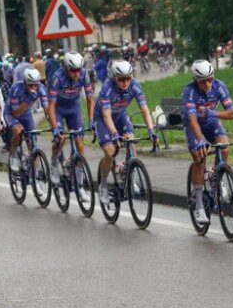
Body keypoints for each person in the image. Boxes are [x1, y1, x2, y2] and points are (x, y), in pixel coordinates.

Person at [94, 60, 158, 204]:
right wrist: (114, 134)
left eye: (128, 78)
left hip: (121, 116)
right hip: (103, 119)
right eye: (121, 79)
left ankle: (131, 180)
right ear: (115, 78)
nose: (125, 82)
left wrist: (151, 130)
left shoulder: (135, 86)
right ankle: (103, 184)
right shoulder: (107, 89)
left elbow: (145, 109)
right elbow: (106, 115)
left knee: (131, 143)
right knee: (110, 153)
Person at [181, 60, 233, 224]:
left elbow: (232, 113)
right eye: (202, 81)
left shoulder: (219, 86)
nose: (207, 84)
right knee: (200, 159)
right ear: (196, 79)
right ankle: (198, 204)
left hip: (211, 121)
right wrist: (201, 141)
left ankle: (215, 177)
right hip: (193, 124)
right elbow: (192, 120)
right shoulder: (189, 91)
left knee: (224, 148)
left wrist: (214, 114)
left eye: (209, 79)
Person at [48, 51, 95, 203]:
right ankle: (54, 163)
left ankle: (80, 186)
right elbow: (51, 105)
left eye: (78, 70)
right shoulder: (57, 77)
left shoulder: (84, 74)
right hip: (59, 110)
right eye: (73, 70)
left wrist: (92, 120)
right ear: (66, 68)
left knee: (80, 147)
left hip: (74, 109)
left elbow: (89, 99)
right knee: (60, 140)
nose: (76, 74)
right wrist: (55, 127)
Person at [4, 68, 55, 173]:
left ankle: (36, 174)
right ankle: (13, 155)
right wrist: (29, 99)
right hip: (11, 113)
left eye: (35, 84)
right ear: (25, 83)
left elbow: (46, 109)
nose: (33, 87)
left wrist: (53, 125)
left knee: (32, 143)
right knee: (18, 131)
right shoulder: (16, 88)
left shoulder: (40, 88)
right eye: (30, 85)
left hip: (26, 114)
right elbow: (16, 113)